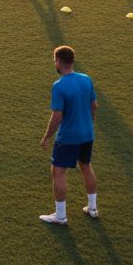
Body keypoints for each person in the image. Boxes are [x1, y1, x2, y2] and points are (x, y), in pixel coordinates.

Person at [39, 45, 99, 224]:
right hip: (87, 134)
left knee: (57, 172)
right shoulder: (86, 79)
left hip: (68, 137)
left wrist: (47, 136)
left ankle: (60, 216)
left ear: (58, 61)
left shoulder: (59, 86)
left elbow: (57, 116)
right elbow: (94, 105)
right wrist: (88, 123)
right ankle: (93, 208)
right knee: (86, 166)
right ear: (72, 61)